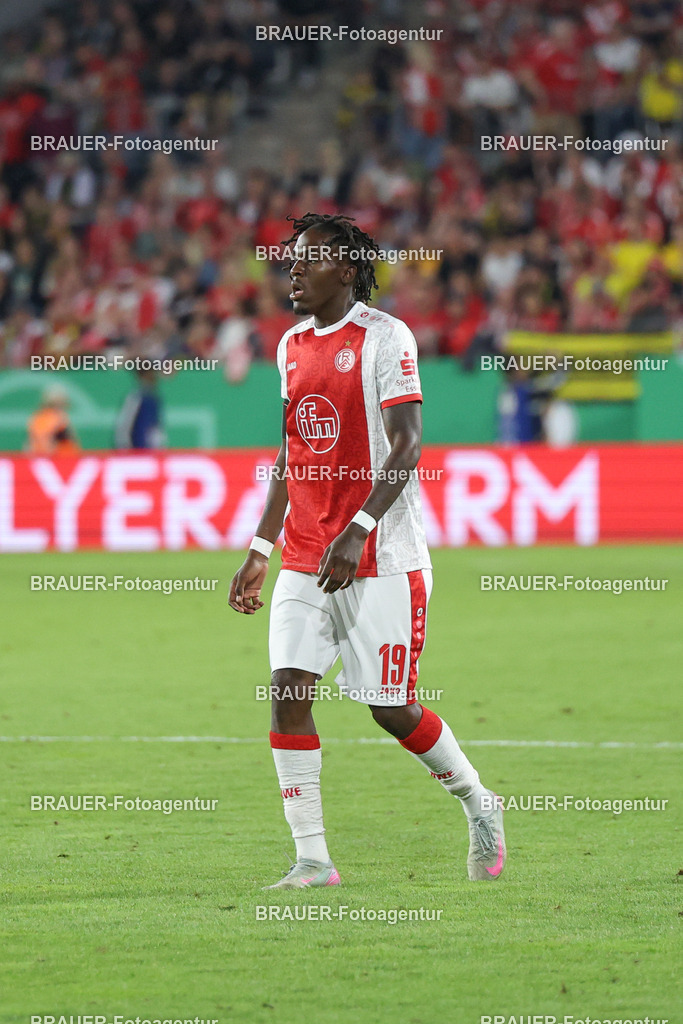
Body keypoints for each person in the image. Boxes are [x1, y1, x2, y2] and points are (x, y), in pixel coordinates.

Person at [228, 213, 506, 889]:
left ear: (345, 269)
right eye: (290, 259)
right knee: (288, 691)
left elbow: (408, 444)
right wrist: (261, 546)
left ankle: (478, 801)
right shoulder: (290, 344)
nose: (291, 269)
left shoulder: (385, 338)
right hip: (304, 553)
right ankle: (313, 860)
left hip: (382, 555)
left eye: (307, 260)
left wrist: (359, 529)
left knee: (389, 708)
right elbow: (291, 451)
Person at [114, 369, 164, 450]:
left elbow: (156, 427)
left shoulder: (154, 398)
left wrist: (159, 446)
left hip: (151, 451)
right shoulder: (135, 398)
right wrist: (123, 447)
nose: (154, 378)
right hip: (135, 450)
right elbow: (125, 424)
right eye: (150, 375)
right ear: (142, 377)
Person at [27, 385, 79, 455]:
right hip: (51, 459)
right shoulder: (46, 418)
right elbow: (42, 441)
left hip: (64, 458)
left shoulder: (60, 417)